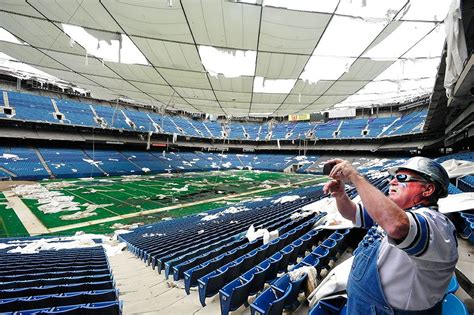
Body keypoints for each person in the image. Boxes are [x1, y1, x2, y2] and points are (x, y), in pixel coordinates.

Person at [323, 157, 458, 314]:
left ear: (427, 189)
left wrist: (356, 177)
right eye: (393, 177)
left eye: (401, 178)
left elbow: (397, 227)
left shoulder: (437, 224)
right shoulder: (395, 213)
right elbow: (353, 213)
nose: (392, 182)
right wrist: (340, 196)